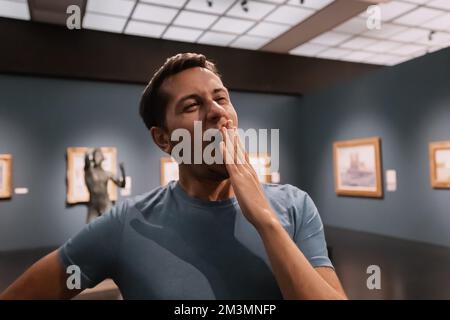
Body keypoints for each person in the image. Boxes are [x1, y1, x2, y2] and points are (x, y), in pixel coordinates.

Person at [0, 53, 347, 300]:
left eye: (221, 98)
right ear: (163, 139)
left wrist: (266, 220)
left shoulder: (295, 206)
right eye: (191, 105)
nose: (216, 112)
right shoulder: (128, 222)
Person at [84, 148, 126, 223]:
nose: (97, 157)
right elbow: (86, 162)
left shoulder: (107, 174)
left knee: (110, 227)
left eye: (98, 155)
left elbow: (122, 185)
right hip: (93, 205)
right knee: (89, 229)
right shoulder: (90, 172)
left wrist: (123, 171)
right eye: (95, 155)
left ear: (102, 158)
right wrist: (89, 153)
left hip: (105, 203)